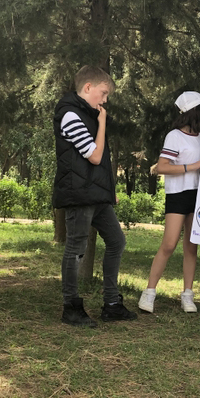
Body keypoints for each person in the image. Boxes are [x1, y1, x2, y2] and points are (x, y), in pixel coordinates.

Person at [53, 65, 137, 327]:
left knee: (116, 241)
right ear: (88, 87)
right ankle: (71, 308)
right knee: (76, 249)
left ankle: (111, 304)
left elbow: (97, 163)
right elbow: (95, 156)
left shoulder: (87, 114)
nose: (105, 100)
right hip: (79, 194)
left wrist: (109, 191)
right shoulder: (70, 115)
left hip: (95, 194)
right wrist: (101, 124)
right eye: (103, 93)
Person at [138, 91, 200, 314]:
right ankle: (149, 292)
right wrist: (192, 166)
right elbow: (161, 167)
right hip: (177, 194)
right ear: (194, 112)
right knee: (169, 244)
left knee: (191, 246)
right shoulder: (174, 136)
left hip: (198, 194)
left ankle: (187, 295)